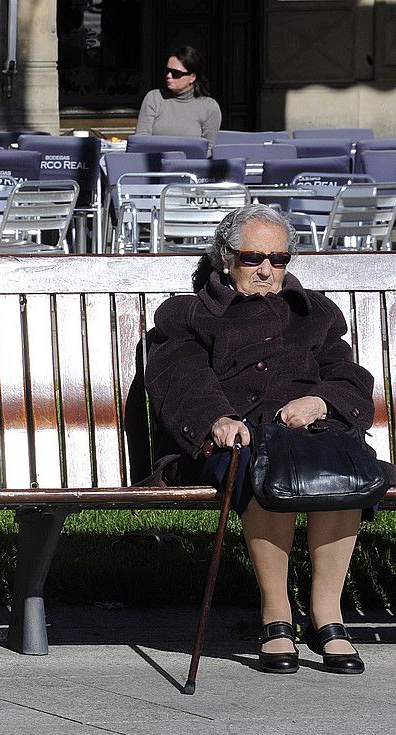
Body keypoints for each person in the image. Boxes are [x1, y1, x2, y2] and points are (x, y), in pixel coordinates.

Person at [146, 204, 383, 675]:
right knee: (260, 465)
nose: (267, 269)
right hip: (229, 442)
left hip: (310, 433)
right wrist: (219, 418)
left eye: (278, 259)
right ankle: (277, 617)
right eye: (254, 258)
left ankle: (326, 616)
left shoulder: (314, 313)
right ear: (226, 258)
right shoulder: (189, 314)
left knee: (336, 467)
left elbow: (347, 375)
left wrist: (321, 403)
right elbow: (180, 377)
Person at [135, 45, 222, 147]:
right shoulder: (154, 98)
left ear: (192, 77)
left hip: (191, 162)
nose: (169, 76)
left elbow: (209, 148)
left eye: (176, 73)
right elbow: (141, 140)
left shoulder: (209, 107)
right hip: (155, 161)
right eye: (167, 71)